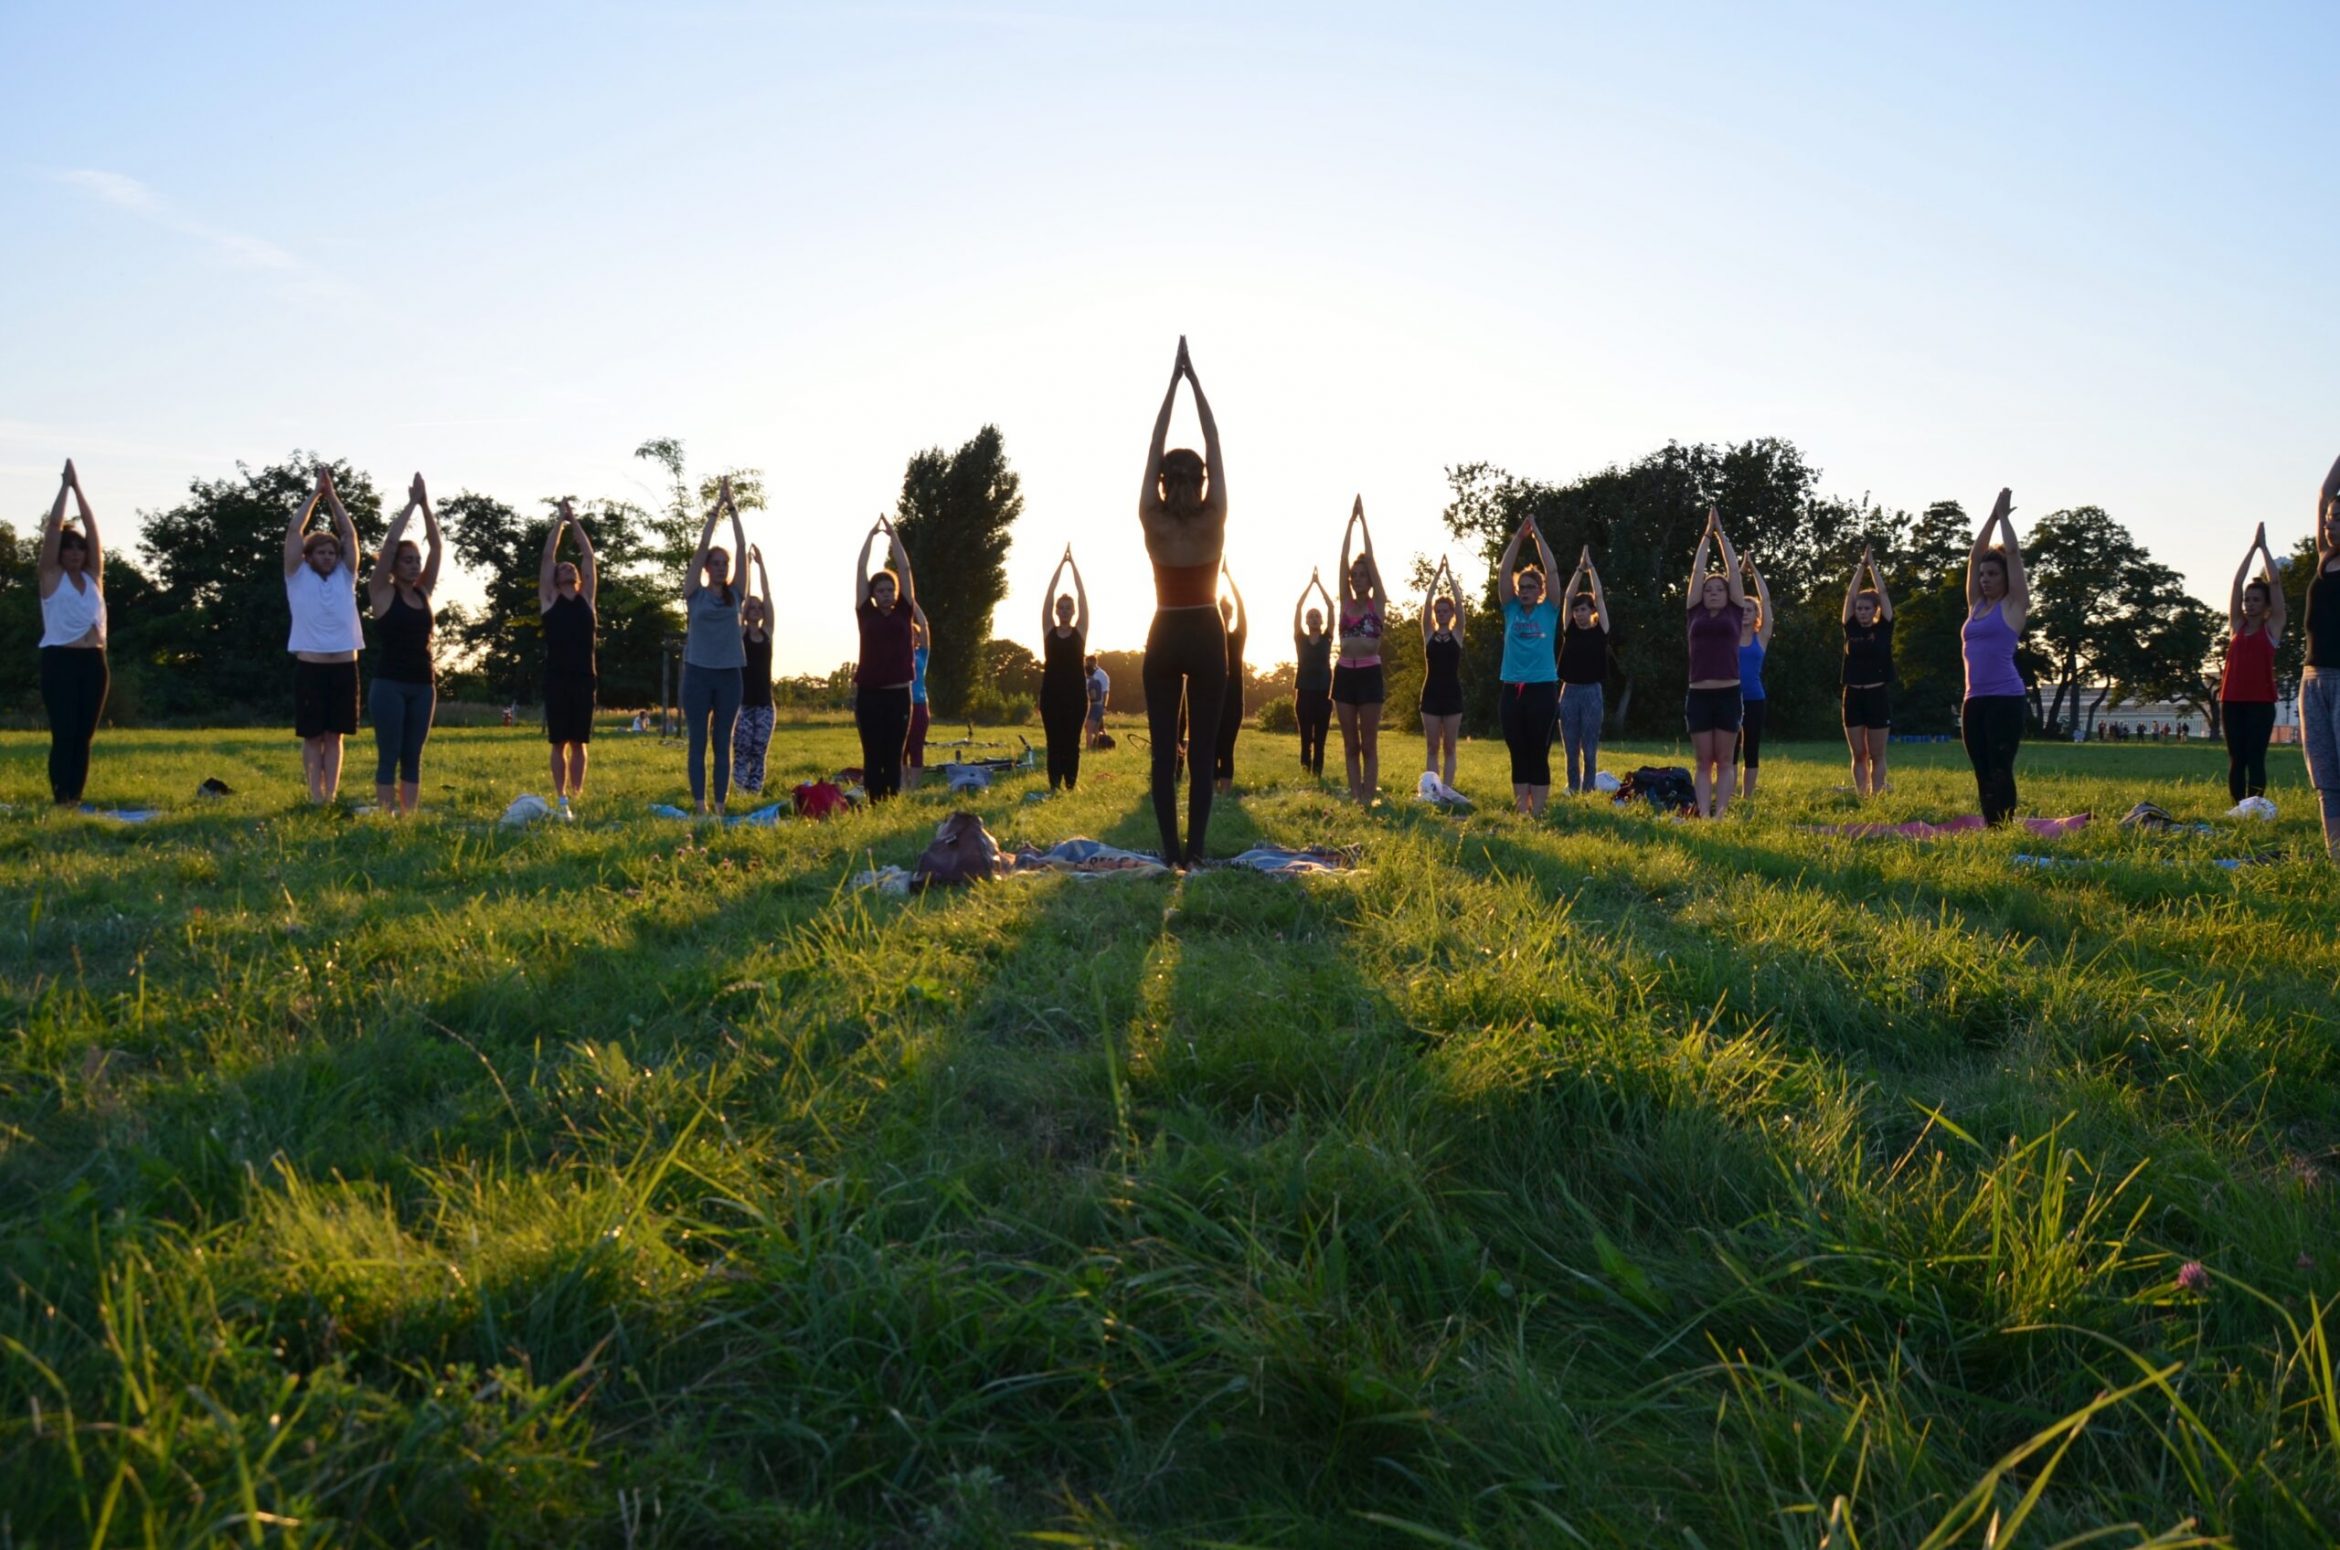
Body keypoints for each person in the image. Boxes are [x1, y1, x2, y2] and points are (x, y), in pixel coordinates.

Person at [1136, 336, 1229, 865]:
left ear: (1164, 481)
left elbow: (1154, 447)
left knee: (1162, 751)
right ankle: (1194, 854)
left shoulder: (1153, 517)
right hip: (1205, 632)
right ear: (1204, 479)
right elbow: (1214, 441)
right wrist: (1195, 383)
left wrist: (1171, 384)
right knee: (1203, 753)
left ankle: (1172, 854)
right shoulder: (1214, 517)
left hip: (1165, 632)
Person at [284, 467, 365, 804]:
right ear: (309, 556)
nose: (328, 557)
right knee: (313, 736)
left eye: (331, 553)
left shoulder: (346, 576)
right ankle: (314, 796)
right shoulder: (297, 575)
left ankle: (330, 796)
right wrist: (315, 496)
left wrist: (333, 498)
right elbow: (293, 530)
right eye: (321, 552)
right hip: (311, 667)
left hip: (345, 666)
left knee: (335, 736)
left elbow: (350, 536)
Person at [364, 473, 443, 816]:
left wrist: (426, 506)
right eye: (407, 560)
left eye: (417, 561)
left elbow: (437, 546)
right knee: (390, 751)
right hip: (389, 684)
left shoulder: (424, 593)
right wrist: (410, 504)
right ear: (394, 565)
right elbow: (392, 542)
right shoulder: (382, 592)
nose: (414, 565)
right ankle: (385, 815)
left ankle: (407, 816)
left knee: (413, 754)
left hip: (423, 684)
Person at [36, 460, 107, 807]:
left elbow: (93, 530)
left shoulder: (94, 577)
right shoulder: (51, 576)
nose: (76, 553)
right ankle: (60, 797)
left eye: (79, 549)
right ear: (61, 554)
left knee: (84, 736)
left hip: (94, 661)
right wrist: (65, 488)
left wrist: (81, 491)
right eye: (69, 548)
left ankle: (74, 799)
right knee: (64, 734)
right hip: (60, 660)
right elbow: (52, 528)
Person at [1961, 488, 2031, 825]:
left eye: (1993, 574)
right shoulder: (1976, 606)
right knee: (1981, 768)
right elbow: (1974, 557)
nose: (1985, 579)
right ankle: (1992, 826)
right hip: (1974, 699)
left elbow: (2014, 554)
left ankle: (2004, 828)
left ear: (2005, 578)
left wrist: (2004, 519)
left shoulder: (2014, 606)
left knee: (2000, 766)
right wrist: (1989, 517)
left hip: (2006, 698)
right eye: (1983, 575)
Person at [680, 477, 749, 815]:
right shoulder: (694, 593)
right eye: (716, 563)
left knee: (723, 743)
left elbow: (741, 546)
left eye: (725, 564)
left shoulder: (736, 594)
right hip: (697, 674)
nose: (722, 567)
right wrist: (714, 511)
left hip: (729, 676)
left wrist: (733, 508)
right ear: (707, 568)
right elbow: (700, 548)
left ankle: (720, 806)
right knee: (698, 742)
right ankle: (700, 805)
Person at [1684, 509, 1750, 819]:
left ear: (1727, 595)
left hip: (1728, 693)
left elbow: (1734, 573)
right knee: (1702, 761)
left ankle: (1721, 814)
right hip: (1698, 693)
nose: (1712, 592)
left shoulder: (1735, 611)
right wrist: (1705, 536)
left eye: (1718, 589)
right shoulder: (1694, 612)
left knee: (1724, 760)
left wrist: (1721, 535)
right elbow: (1697, 572)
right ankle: (1704, 814)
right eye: (1708, 590)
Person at [1495, 513, 1561, 814]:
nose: (1524, 590)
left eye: (1531, 587)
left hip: (1542, 689)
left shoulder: (1548, 610)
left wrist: (1538, 538)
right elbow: (1504, 570)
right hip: (1512, 689)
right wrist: (1518, 539)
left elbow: (1553, 570)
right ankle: (1522, 808)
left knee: (1538, 750)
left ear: (1541, 590)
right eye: (1522, 586)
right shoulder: (1511, 610)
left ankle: (1539, 810)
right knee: (1517, 749)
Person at [540, 498, 599, 818]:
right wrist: (558, 523)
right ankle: (561, 796)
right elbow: (548, 556)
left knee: (580, 742)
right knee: (558, 742)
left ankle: (577, 795)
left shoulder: (587, 599)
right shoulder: (549, 600)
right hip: (557, 678)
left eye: (570, 566)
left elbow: (588, 555)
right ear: (556, 577)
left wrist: (574, 520)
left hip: (584, 677)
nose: (568, 566)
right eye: (564, 567)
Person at [854, 516, 919, 803]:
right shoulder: (864, 612)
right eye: (880, 590)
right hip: (869, 696)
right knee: (872, 753)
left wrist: (893, 537)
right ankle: (872, 801)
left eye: (890, 589)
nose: (886, 594)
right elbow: (860, 569)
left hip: (898, 695)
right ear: (872, 594)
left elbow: (904, 569)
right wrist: (870, 538)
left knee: (894, 753)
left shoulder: (905, 610)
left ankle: (890, 804)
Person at [2220, 524, 2284, 807]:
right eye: (2247, 600)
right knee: (2237, 758)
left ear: (2266, 605)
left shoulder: (2272, 628)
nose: (2248, 604)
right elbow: (2236, 584)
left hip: (2260, 702)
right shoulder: (2236, 627)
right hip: (2231, 700)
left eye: (2255, 600)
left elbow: (2276, 584)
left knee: (2255, 757)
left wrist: (2264, 549)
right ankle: (2238, 807)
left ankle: (2254, 807)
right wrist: (2250, 549)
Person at [1334, 496, 1388, 806]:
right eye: (1354, 576)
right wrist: (1348, 524)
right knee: (1350, 744)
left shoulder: (1376, 602)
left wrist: (1364, 523)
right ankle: (1355, 796)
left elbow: (1375, 563)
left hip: (1369, 674)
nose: (1356, 579)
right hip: (1343, 675)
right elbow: (1341, 562)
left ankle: (1368, 796)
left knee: (1369, 743)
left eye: (1361, 575)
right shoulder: (1345, 601)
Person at [2301, 453, 2340, 859]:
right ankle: (2335, 854)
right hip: (2312, 680)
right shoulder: (2324, 560)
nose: (2329, 525)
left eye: (2338, 519)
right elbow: (2325, 491)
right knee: (2325, 776)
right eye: (2328, 519)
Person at [1840, 543, 1896, 798]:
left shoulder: (1884, 628)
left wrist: (1872, 566)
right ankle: (1862, 796)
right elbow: (1850, 596)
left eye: (1867, 608)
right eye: (1859, 608)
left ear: (1875, 611)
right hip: (1853, 695)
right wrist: (1860, 567)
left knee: (1877, 754)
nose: (1862, 612)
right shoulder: (1850, 628)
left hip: (1877, 696)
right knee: (1858, 754)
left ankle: (1878, 794)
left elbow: (1882, 592)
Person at [1557, 545, 1609, 795]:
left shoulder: (1601, 631)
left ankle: (1588, 790)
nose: (1578, 613)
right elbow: (1567, 597)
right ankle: (1573, 787)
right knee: (1570, 747)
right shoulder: (1570, 630)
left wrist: (1592, 570)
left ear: (1592, 612)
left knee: (1589, 748)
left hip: (1592, 693)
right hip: (1569, 692)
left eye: (1583, 609)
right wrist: (1579, 568)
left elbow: (1599, 595)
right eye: (1576, 610)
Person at [1039, 545, 1091, 791]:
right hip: (1050, 695)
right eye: (1061, 607)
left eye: (1068, 608)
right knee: (1054, 742)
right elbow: (1049, 596)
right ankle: (1053, 786)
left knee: (1072, 742)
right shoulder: (1049, 630)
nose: (1064, 610)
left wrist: (1075, 567)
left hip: (1076, 696)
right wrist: (1060, 566)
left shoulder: (1080, 632)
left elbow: (1082, 595)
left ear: (1074, 611)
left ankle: (1070, 787)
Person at [1417, 558, 1465, 790]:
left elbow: (1460, 602)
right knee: (1432, 746)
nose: (1442, 613)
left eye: (1446, 611)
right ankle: (1432, 789)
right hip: (1431, 695)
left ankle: (1447, 789)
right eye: (1439, 611)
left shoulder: (1457, 634)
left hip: (1452, 695)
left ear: (1452, 613)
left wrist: (1450, 576)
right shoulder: (1428, 634)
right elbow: (1426, 604)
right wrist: (1437, 576)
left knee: (1450, 747)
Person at [734, 544, 777, 797]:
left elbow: (768, 597)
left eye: (758, 608)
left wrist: (761, 566)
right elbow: (742, 598)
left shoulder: (767, 633)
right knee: (741, 749)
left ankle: (755, 792)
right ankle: (739, 791)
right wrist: (748, 568)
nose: (756, 611)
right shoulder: (739, 634)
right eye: (752, 608)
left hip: (764, 703)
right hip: (742, 702)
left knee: (759, 749)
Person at [1733, 551, 1775, 800]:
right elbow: (1729, 597)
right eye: (1742, 609)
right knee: (1730, 750)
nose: (1745, 612)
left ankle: (1747, 797)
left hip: (1754, 699)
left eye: (1750, 609)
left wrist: (1754, 571)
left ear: (1756, 615)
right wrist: (1739, 572)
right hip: (1729, 697)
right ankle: (1728, 792)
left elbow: (1767, 602)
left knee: (1750, 748)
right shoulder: (1727, 636)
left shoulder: (1762, 638)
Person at [1292, 570, 1334, 778]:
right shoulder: (1300, 638)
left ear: (1322, 621)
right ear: (1307, 622)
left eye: (1317, 616)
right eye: (1311, 616)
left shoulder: (1327, 638)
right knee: (1305, 737)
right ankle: (1304, 772)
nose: (1314, 618)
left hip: (1324, 695)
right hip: (1304, 694)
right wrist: (1310, 584)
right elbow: (1299, 607)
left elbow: (1332, 606)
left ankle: (1317, 773)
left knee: (1320, 739)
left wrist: (1320, 584)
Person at [1214, 563, 1250, 795]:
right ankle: (1211, 794)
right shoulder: (1206, 638)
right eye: (1220, 612)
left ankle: (1224, 795)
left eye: (1227, 613)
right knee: (1210, 748)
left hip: (1234, 699)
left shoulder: (1237, 637)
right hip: (1211, 699)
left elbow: (1242, 608)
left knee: (1226, 747)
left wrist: (1230, 579)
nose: (1224, 616)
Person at [904, 604, 934, 791]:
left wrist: (912, 603)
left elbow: (924, 625)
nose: (912, 637)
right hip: (900, 704)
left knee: (916, 747)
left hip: (920, 705)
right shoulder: (895, 653)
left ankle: (914, 788)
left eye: (914, 634)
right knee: (900, 749)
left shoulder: (922, 653)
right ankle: (902, 785)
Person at [1084, 655, 1110, 746]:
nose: (1086, 664)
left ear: (1093, 662)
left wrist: (1104, 706)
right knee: (1097, 728)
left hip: (1095, 705)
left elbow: (1105, 692)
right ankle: (1101, 744)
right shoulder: (1090, 678)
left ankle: (1102, 744)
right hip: (1094, 705)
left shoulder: (1101, 675)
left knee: (1091, 728)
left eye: (1087, 663)